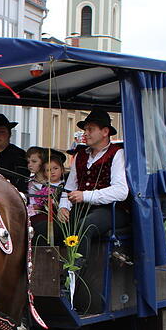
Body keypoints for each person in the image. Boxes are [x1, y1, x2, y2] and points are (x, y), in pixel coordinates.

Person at [57, 109, 130, 259]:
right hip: (83, 209)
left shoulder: (117, 154)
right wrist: (63, 206)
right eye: (85, 129)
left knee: (85, 226)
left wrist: (85, 195)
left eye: (90, 129)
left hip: (111, 210)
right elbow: (69, 188)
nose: (86, 133)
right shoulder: (80, 156)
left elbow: (121, 191)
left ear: (105, 132)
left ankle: (75, 277)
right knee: (47, 227)